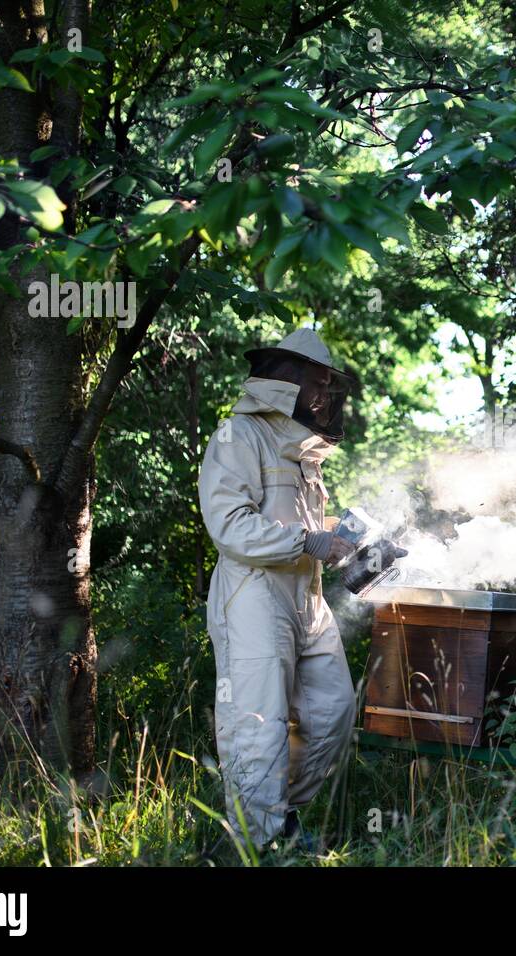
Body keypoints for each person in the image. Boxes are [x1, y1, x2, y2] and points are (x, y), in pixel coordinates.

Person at [198, 326, 358, 851]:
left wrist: (359, 540)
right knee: (258, 723)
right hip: (254, 597)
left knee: (332, 711)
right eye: (315, 382)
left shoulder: (304, 457)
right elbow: (231, 526)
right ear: (285, 379)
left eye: (327, 386)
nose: (321, 396)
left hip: (305, 599)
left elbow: (307, 528)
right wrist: (312, 542)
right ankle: (258, 843)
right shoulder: (237, 437)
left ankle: (281, 817)